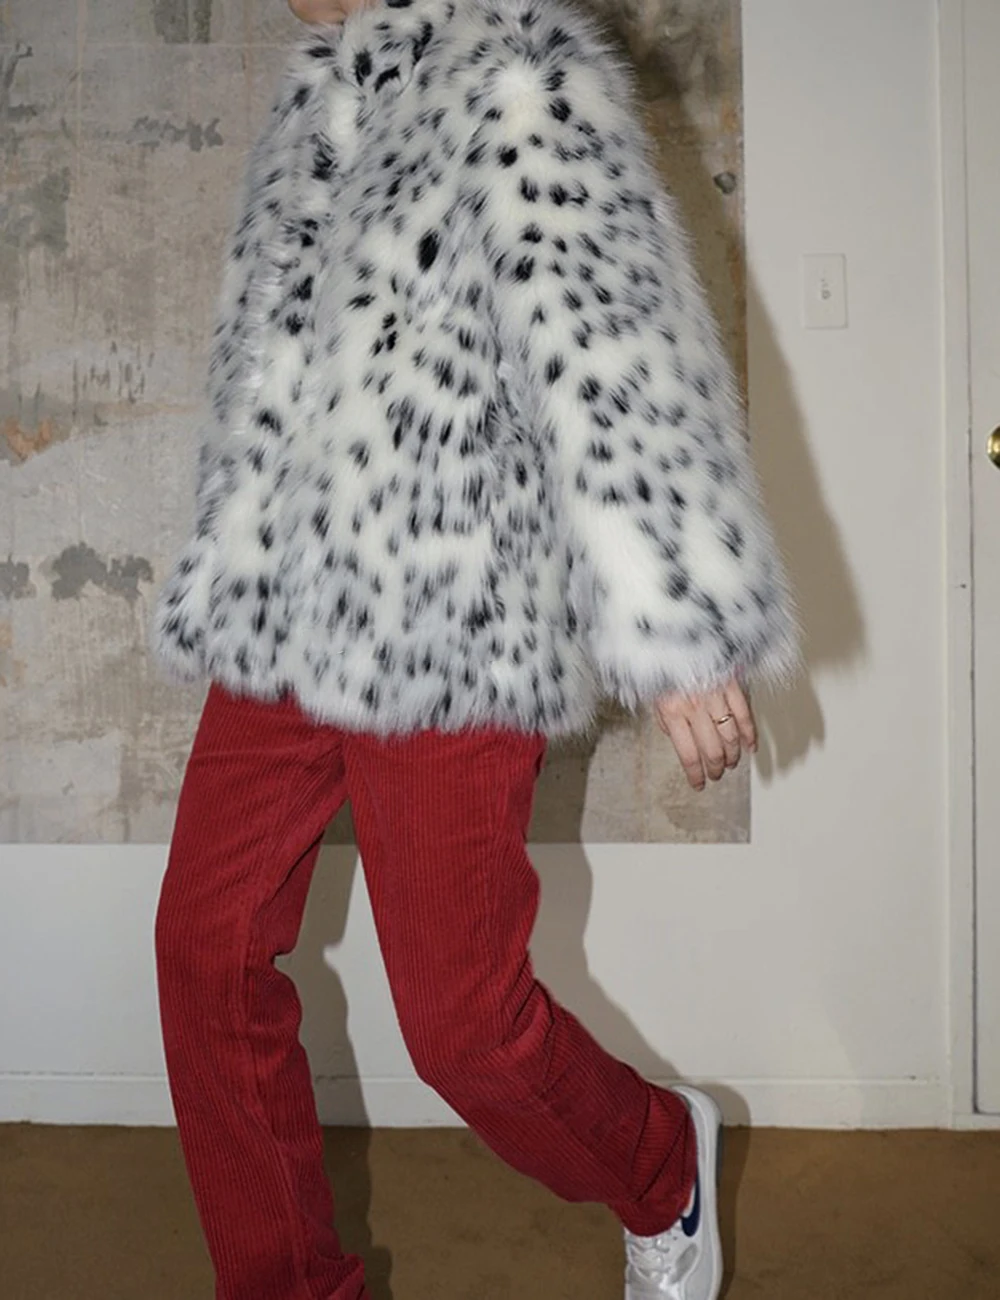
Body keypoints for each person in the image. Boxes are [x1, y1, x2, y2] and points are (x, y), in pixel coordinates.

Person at [151, 0, 800, 1296]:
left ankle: (658, 1161)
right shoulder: (319, 98)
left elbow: (613, 345)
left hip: (457, 618)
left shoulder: (517, 68)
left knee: (463, 1028)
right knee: (204, 951)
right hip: (285, 612)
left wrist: (678, 612)